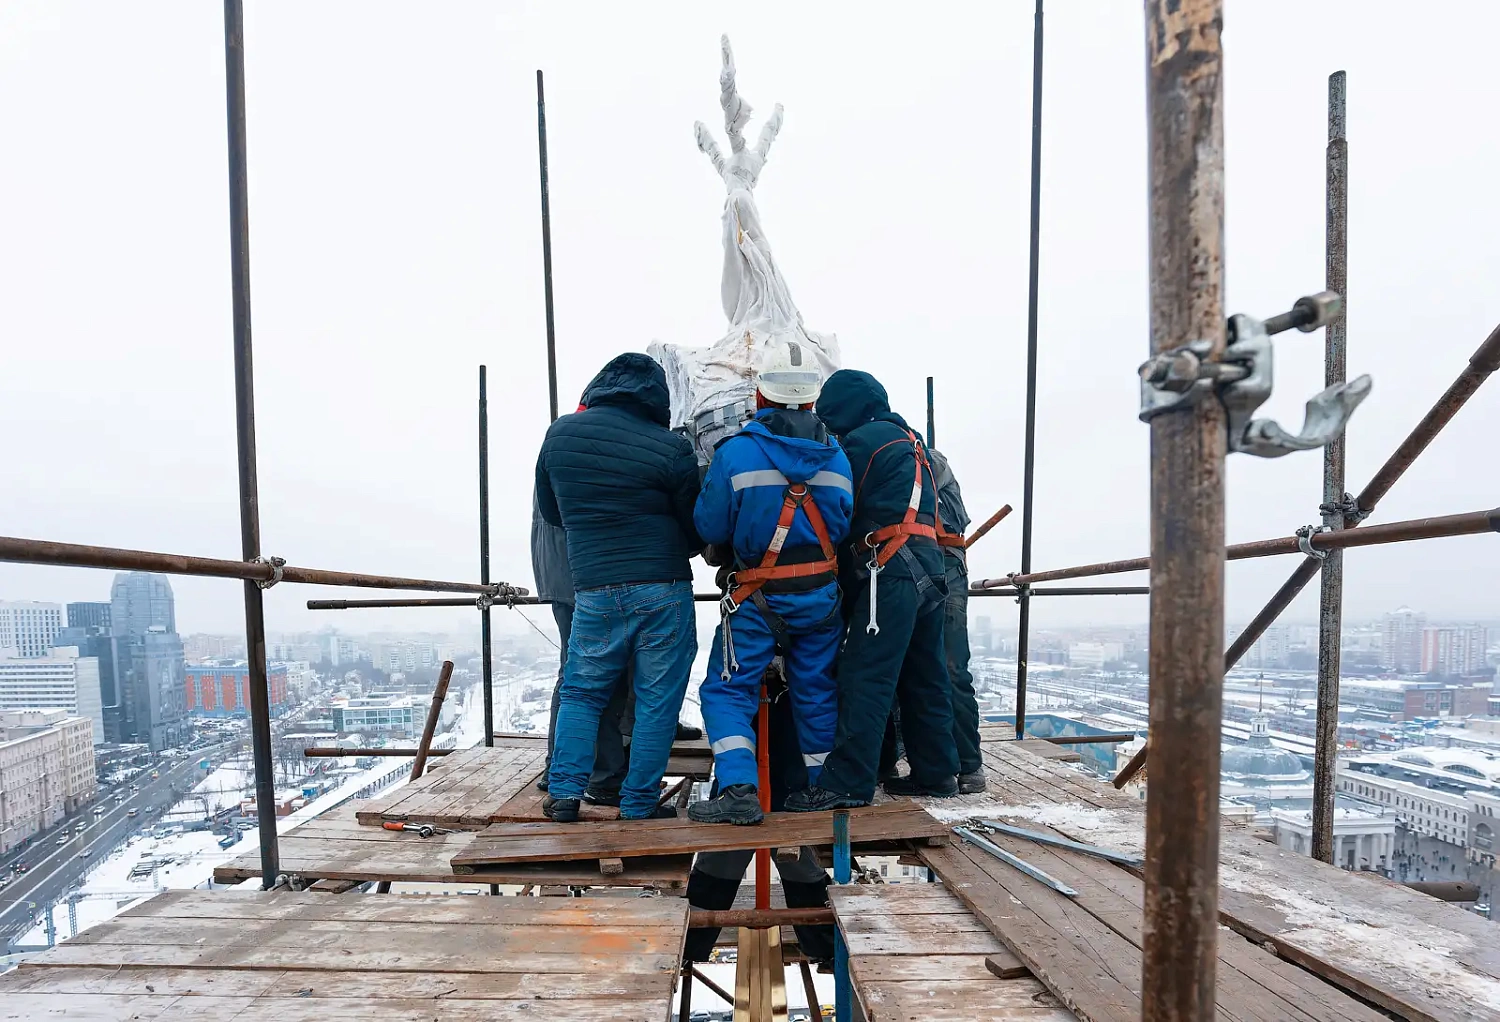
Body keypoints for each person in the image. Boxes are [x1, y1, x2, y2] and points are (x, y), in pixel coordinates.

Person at [688, 341, 852, 825]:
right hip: (820, 598)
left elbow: (710, 527)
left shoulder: (736, 453)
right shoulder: (837, 459)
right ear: (812, 400)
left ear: (760, 398)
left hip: (758, 599)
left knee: (727, 690)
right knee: (816, 688)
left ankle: (739, 788)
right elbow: (841, 527)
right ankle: (822, 788)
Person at [535, 353, 702, 822]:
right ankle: (639, 802)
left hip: (593, 589)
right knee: (656, 700)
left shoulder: (560, 434)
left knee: (582, 693)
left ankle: (566, 793)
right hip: (662, 588)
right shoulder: (670, 448)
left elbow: (552, 513)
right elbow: (695, 529)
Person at [785, 370, 959, 811]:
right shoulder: (910, 440)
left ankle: (847, 784)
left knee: (866, 677)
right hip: (928, 566)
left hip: (888, 571)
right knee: (925, 677)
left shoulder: (865, 441)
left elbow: (839, 502)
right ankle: (938, 774)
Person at [683, 668, 836, 964]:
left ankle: (689, 947)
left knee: (780, 858)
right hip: (764, 783)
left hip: (775, 781)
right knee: (727, 859)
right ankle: (824, 947)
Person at [877, 446, 987, 794]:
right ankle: (900, 761)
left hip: (937, 564)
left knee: (948, 667)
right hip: (913, 562)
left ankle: (967, 764)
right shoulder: (911, 455)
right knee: (901, 667)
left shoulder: (918, 458)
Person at [531, 479, 634, 805]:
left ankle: (560, 768)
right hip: (583, 572)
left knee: (575, 671)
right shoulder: (587, 443)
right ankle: (598, 775)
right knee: (594, 675)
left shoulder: (563, 439)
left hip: (564, 569)